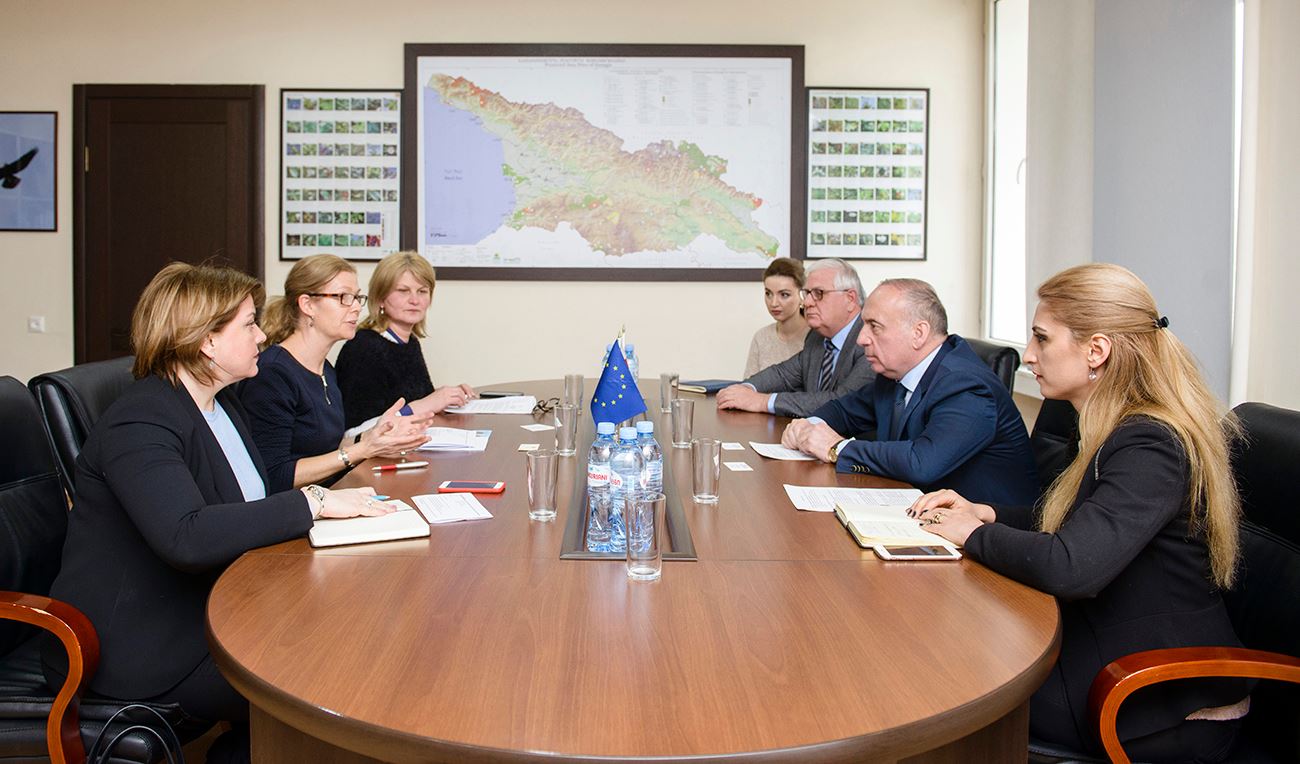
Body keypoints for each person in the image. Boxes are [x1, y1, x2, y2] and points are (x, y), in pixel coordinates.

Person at [42, 263, 394, 761]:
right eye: (249, 324)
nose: (262, 335)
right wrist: (314, 502)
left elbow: (253, 498)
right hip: (144, 645)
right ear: (207, 341)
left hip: (222, 602)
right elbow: (187, 537)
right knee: (337, 680)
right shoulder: (141, 419)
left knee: (360, 630)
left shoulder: (222, 404)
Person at [911, 264, 1248, 762]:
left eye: (1042, 338)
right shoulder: (1108, 424)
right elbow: (1078, 522)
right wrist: (987, 513)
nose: (1029, 355)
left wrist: (970, 534)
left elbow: (1071, 566)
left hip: (1154, 695)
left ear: (1097, 351)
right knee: (940, 653)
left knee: (943, 682)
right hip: (1112, 647)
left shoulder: (1150, 442)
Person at [781, 278, 1037, 505]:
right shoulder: (895, 373)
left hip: (984, 533)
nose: (861, 339)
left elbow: (922, 462)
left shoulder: (966, 385)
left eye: (874, 326)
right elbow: (844, 410)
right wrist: (807, 426)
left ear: (918, 333)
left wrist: (837, 448)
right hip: (917, 508)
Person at [239, 254, 432, 492]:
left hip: (333, 495)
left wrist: (374, 436)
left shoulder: (325, 369)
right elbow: (274, 475)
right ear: (308, 305)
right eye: (343, 297)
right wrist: (362, 450)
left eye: (357, 297)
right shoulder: (273, 375)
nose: (356, 307)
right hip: (297, 509)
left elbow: (328, 448)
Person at [717, 258, 874, 417]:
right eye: (807, 293)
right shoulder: (816, 336)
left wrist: (762, 401)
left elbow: (843, 402)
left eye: (818, 293)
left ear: (850, 299)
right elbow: (783, 374)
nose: (807, 302)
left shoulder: (870, 340)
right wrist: (744, 389)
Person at [336, 251, 475, 431]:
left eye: (422, 291)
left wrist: (448, 397)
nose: (415, 300)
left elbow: (414, 398)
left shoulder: (410, 342)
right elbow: (354, 432)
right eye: (403, 291)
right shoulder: (363, 349)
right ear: (380, 298)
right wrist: (426, 404)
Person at [743, 257, 810, 378]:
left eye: (784, 295)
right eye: (768, 293)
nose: (773, 303)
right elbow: (748, 385)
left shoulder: (816, 337)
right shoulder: (761, 337)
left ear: (802, 295)